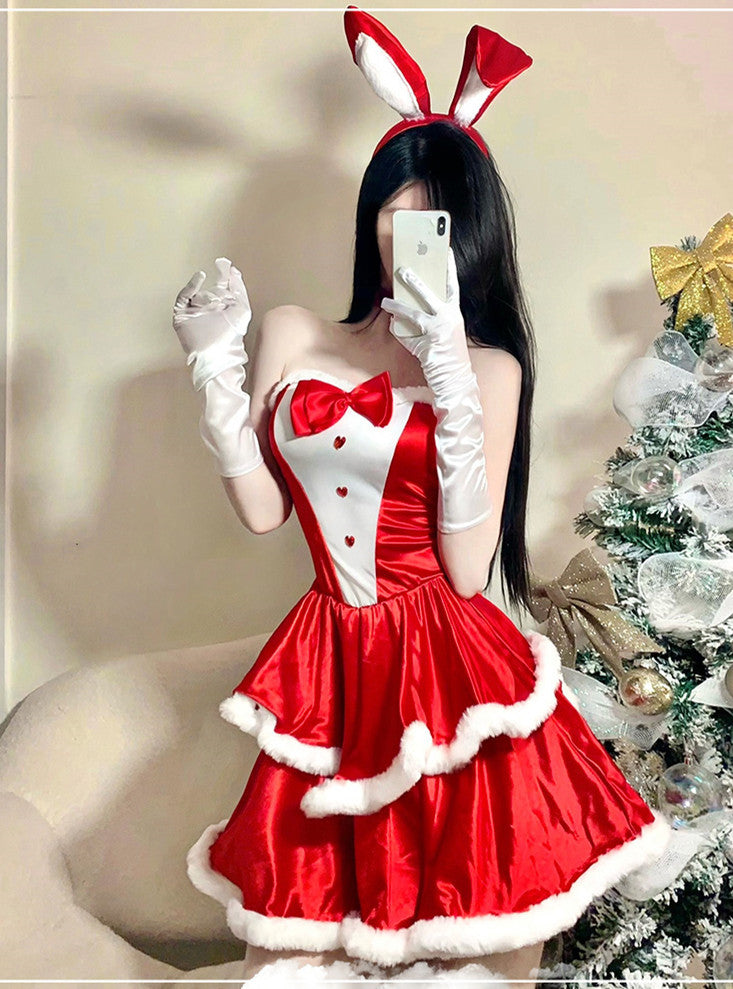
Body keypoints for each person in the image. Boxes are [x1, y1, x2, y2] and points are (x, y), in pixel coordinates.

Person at [172, 8, 673, 984]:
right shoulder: (293, 331)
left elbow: (465, 568)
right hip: (327, 657)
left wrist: (448, 369)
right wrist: (213, 373)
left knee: (478, 932)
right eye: (390, 209)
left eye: (431, 217)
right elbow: (265, 513)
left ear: (468, 231)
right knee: (291, 938)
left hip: (448, 663)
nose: (404, 231)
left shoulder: (488, 367)